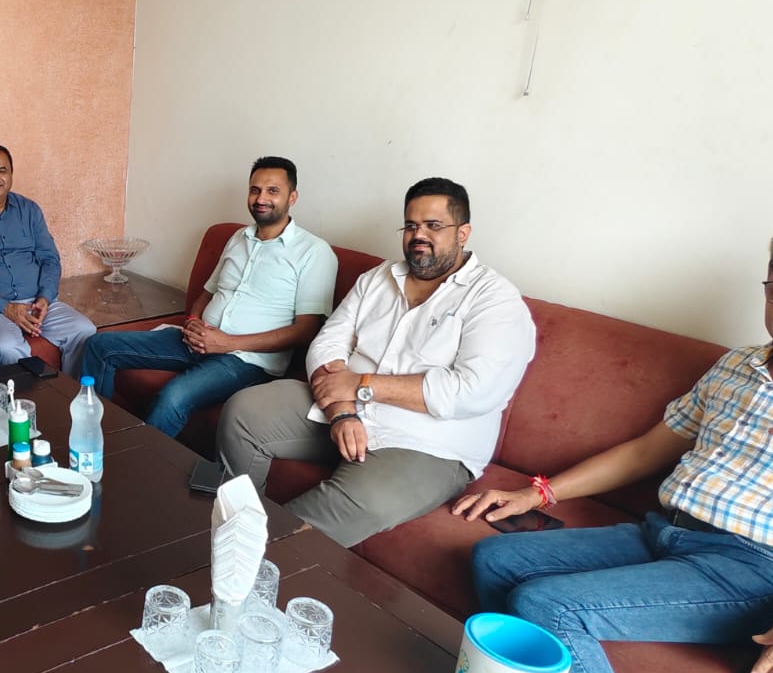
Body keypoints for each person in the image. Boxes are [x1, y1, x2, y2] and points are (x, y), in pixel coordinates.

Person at [452, 219, 773, 673]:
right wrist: (537, 493)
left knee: (549, 605)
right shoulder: (736, 366)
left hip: (760, 568)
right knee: (496, 559)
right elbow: (646, 450)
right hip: (666, 535)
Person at [217, 177, 535, 547]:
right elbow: (328, 342)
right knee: (244, 412)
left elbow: (472, 391)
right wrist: (341, 411)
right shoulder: (378, 278)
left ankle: (240, 558)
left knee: (356, 503)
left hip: (426, 443)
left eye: (433, 225)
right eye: (411, 225)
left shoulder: (495, 300)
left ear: (463, 233)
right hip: (342, 409)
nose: (419, 235)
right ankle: (229, 522)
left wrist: (361, 384)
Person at [79, 157, 338, 437]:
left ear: (292, 197)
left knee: (173, 397)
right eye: (255, 190)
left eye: (272, 191)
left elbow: (306, 331)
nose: (261, 198)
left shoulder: (314, 252)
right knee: (98, 345)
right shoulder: (238, 238)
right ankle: (92, 440)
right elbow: (206, 294)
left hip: (247, 360)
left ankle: (136, 461)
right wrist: (192, 320)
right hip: (196, 341)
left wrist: (227, 343)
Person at [0, 143, 96, 377]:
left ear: (11, 174)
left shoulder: (30, 210)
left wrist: (45, 298)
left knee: (84, 330)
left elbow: (50, 259)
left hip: (39, 304)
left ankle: (72, 394)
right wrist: (6, 308)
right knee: (7, 346)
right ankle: (26, 399)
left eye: (2, 170)